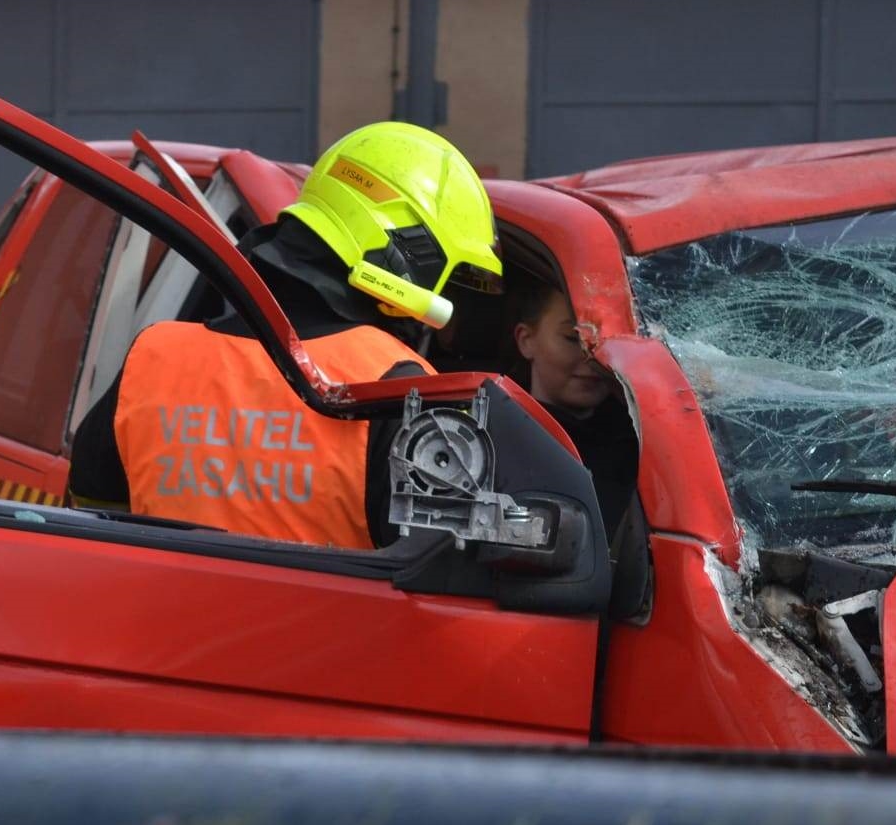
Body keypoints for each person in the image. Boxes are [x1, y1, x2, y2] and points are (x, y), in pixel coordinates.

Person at [67, 122, 502, 549]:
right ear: (404, 249)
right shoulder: (400, 387)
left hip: (160, 618)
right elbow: (445, 570)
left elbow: (94, 512)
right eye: (451, 274)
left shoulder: (155, 356)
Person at [507, 279, 638, 534]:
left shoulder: (639, 438)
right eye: (572, 338)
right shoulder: (497, 436)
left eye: (606, 342)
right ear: (526, 340)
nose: (592, 358)